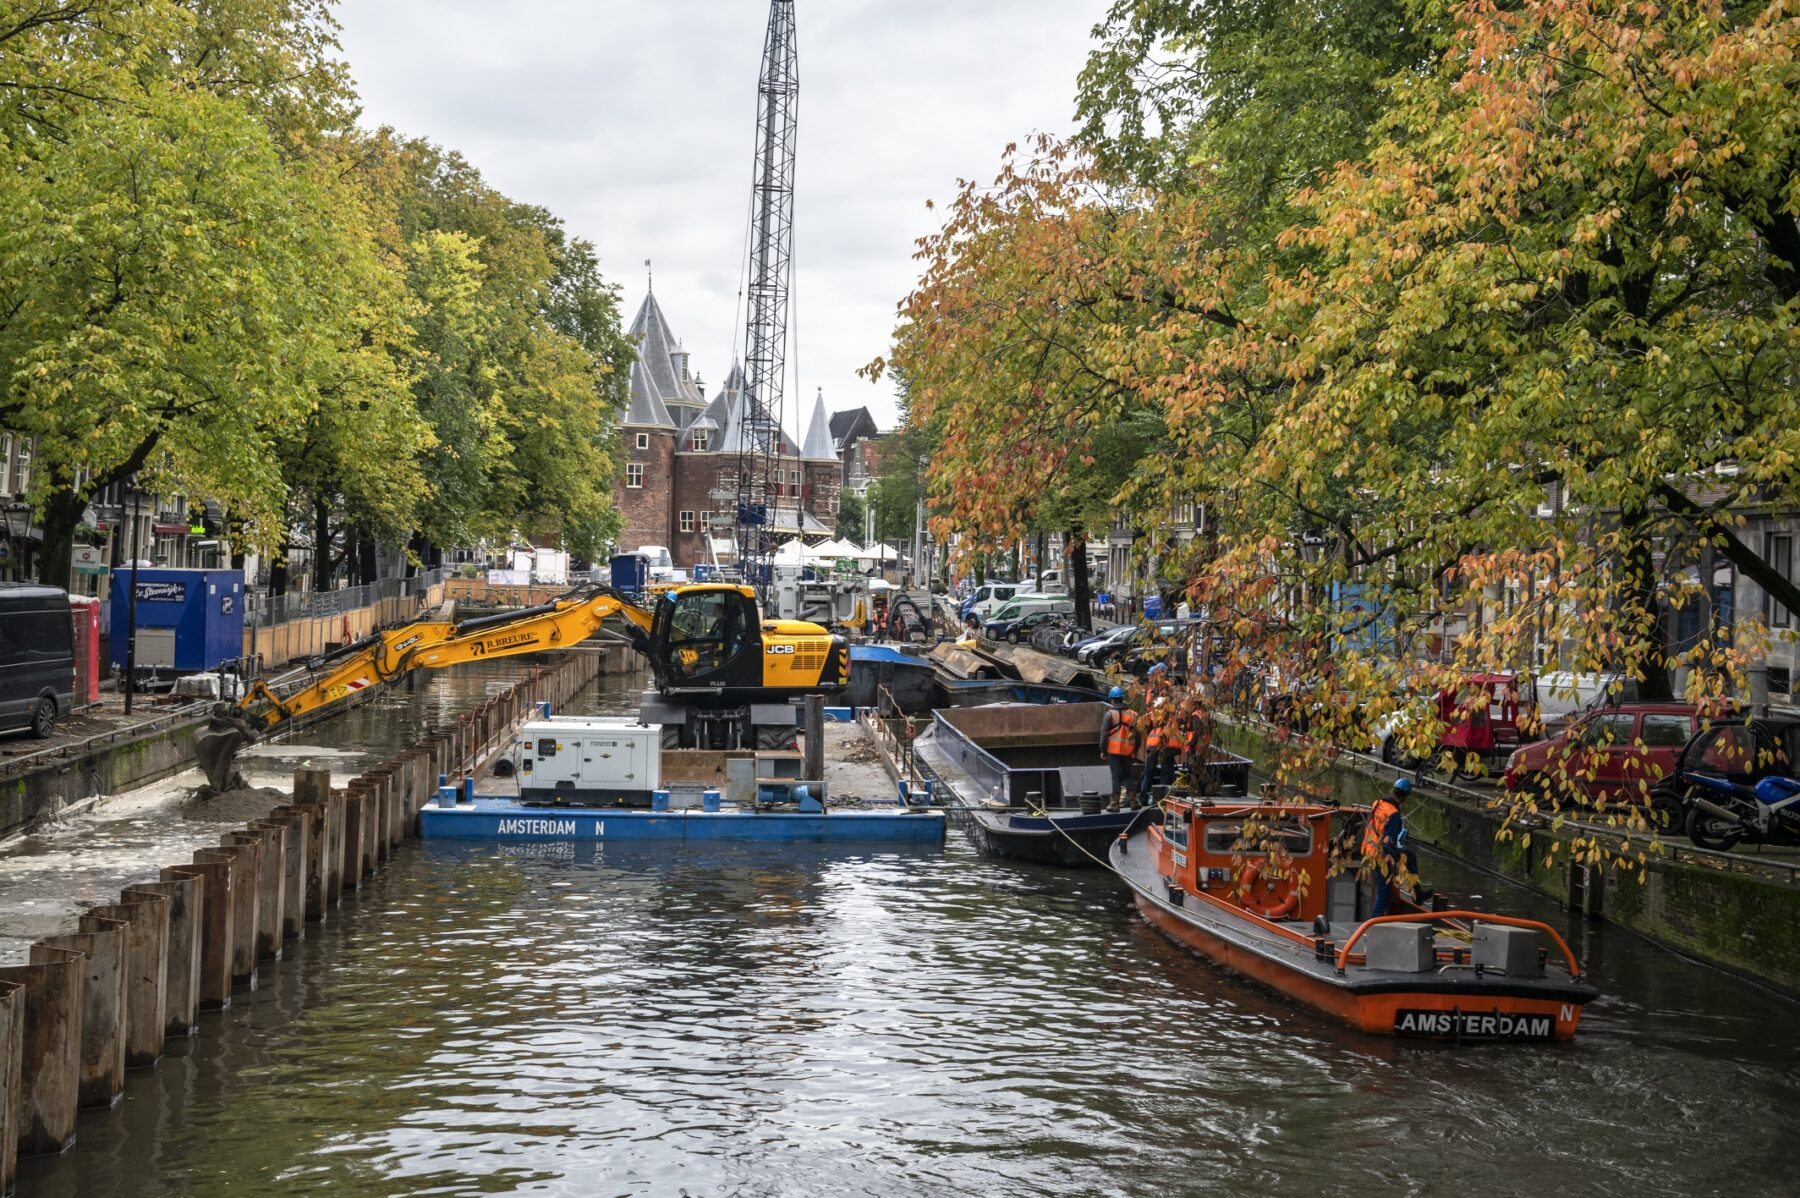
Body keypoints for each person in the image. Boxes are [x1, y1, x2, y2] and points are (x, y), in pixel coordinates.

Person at [1363, 778, 1424, 917]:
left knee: (1409, 855)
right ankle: (1372, 924)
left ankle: (1417, 892)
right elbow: (1388, 841)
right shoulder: (1394, 814)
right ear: (1405, 796)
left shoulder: (1378, 803)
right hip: (1381, 855)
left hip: (1370, 849)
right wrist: (1393, 860)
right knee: (1385, 895)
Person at [1099, 686, 1140, 811]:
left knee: (1115, 777)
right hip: (1128, 751)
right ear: (1122, 698)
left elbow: (1104, 734)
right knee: (1128, 776)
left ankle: (1115, 804)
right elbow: (1138, 735)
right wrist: (1135, 749)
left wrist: (1102, 750)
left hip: (1113, 751)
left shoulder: (1109, 715)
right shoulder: (1134, 715)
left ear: (1112, 700)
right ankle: (1134, 801)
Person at [1138, 699, 1173, 807]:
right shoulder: (1168, 713)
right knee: (1165, 773)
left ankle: (1143, 798)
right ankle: (1161, 799)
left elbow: (1147, 729)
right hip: (1164, 746)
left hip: (1152, 744)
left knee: (1148, 773)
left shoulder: (1151, 714)